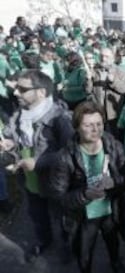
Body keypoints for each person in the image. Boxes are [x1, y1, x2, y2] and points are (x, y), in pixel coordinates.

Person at [49, 101, 125, 273]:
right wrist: (84, 195)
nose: (95, 129)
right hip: (84, 217)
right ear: (77, 127)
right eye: (88, 125)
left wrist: (115, 182)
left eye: (99, 124)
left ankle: (115, 262)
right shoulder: (65, 157)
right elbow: (58, 197)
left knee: (113, 242)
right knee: (84, 253)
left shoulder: (114, 146)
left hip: (110, 211)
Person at [0, 69, 74, 261]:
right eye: (16, 87)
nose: (16, 92)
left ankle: (66, 244)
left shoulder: (60, 118)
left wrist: (39, 162)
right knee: (37, 214)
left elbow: (70, 151)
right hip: (29, 179)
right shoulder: (19, 114)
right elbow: (13, 139)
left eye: (22, 89)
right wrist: (10, 145)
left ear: (41, 92)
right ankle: (44, 240)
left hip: (55, 181)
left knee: (61, 216)